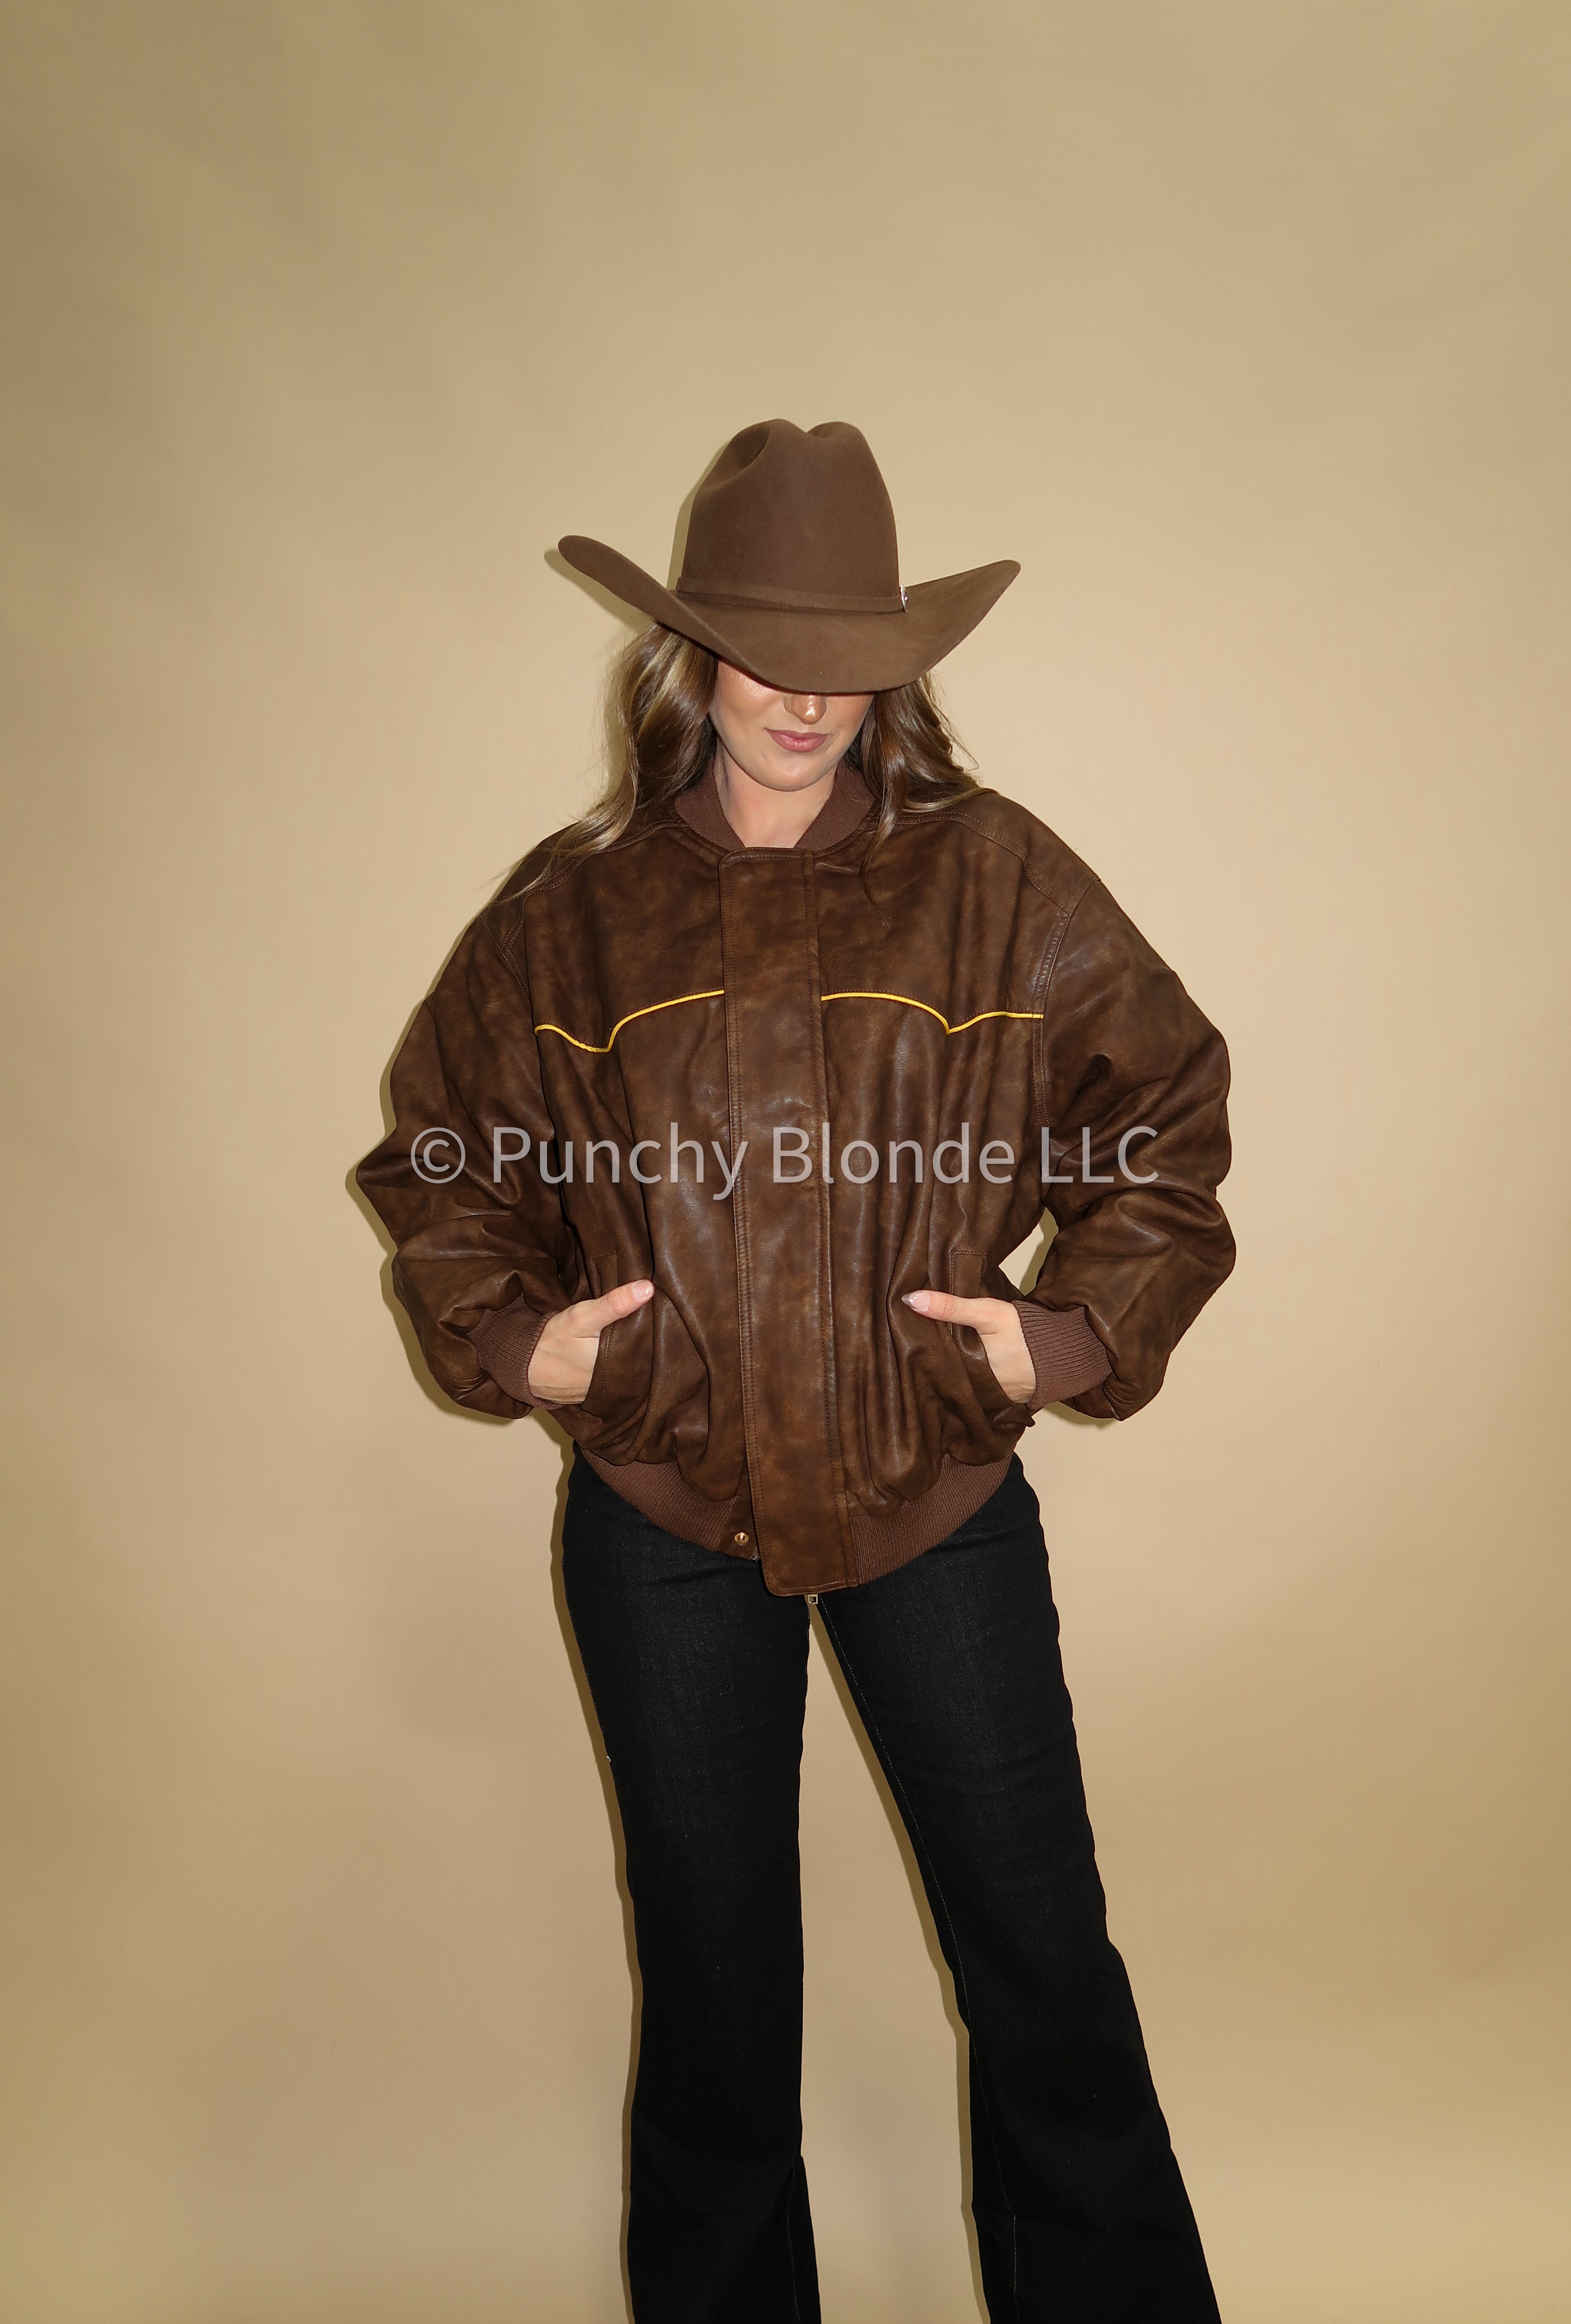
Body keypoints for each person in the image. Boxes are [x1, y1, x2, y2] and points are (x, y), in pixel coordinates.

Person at [356, 418, 1235, 2322]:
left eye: (849, 655)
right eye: (766, 648)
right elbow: (441, 1158)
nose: (807, 697)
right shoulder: (569, 910)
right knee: (715, 2005)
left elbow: (1160, 1118)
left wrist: (1062, 1332)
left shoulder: (993, 876)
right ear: (688, 651)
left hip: (935, 1494)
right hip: (661, 1513)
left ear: (898, 665)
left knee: (1043, 1971)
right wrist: (520, 1339)